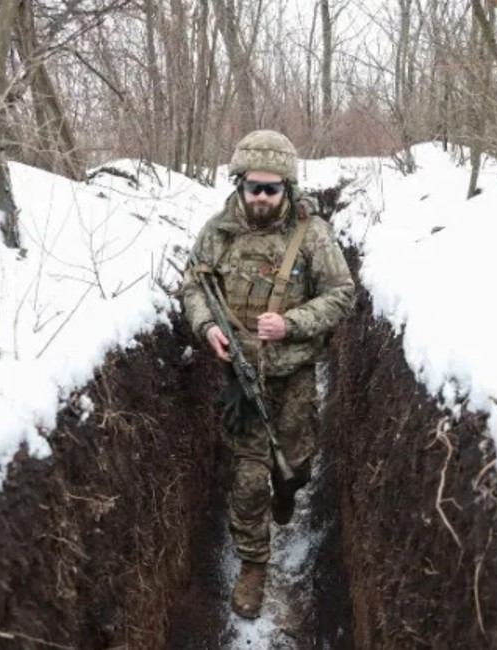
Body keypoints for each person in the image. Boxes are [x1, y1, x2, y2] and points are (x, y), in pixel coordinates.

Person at [182, 130, 355, 619]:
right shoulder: (218, 232)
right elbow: (192, 285)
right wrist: (207, 324)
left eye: (271, 188)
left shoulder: (311, 235)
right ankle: (254, 565)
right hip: (240, 376)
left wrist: (291, 323)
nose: (260, 197)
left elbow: (342, 293)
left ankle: (290, 490)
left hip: (295, 372)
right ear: (239, 184)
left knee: (296, 462)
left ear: (287, 187)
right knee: (248, 477)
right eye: (252, 187)